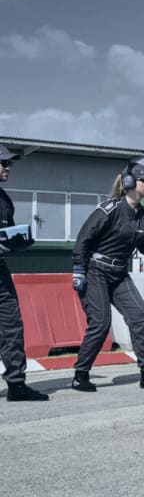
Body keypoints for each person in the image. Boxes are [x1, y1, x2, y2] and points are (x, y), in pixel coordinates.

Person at [70, 162, 144, 392]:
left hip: (119, 273)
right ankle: (81, 375)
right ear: (129, 183)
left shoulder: (143, 216)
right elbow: (83, 239)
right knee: (100, 324)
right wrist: (79, 270)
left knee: (140, 316)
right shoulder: (110, 209)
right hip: (95, 270)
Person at [0, 144, 49, 401]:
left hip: (1, 273)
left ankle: (16, 385)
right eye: (3, 163)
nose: (8, 168)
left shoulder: (5, 200)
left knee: (12, 327)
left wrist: (17, 243)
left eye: (9, 163)